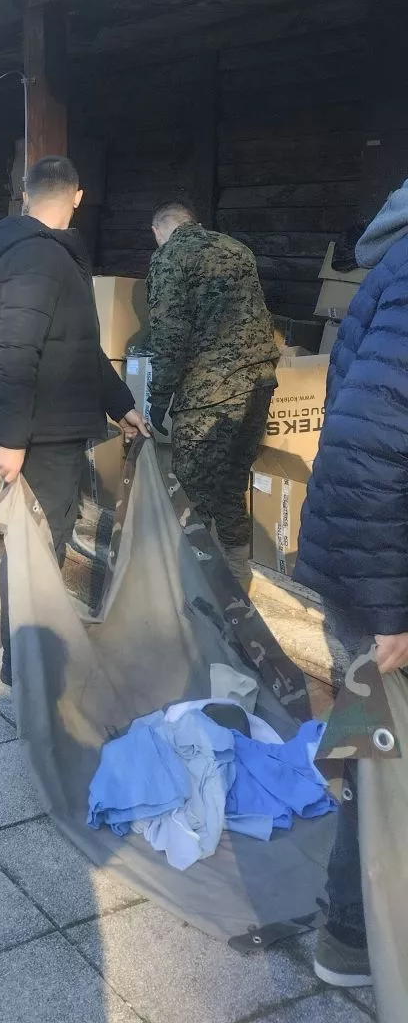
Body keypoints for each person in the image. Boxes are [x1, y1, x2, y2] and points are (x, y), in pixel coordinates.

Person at [294, 177, 408, 989]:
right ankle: (352, 935)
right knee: (381, 752)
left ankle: (352, 933)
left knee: (376, 746)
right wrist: (387, 608)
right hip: (386, 579)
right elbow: (369, 445)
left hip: (376, 565)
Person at [0, 155, 149, 686]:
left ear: (26, 194)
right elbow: (14, 352)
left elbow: (79, 345)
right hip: (40, 435)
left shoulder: (53, 253)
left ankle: (36, 657)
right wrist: (10, 439)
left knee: (47, 542)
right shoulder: (36, 256)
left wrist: (120, 403)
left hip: (56, 430)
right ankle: (25, 668)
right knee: (34, 547)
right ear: (77, 196)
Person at [146, 202, 279, 588]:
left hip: (210, 393)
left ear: (159, 231)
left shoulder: (171, 256)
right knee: (231, 488)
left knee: (192, 498)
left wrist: (158, 397)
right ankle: (238, 581)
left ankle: (194, 594)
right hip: (258, 385)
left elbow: (169, 334)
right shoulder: (238, 249)